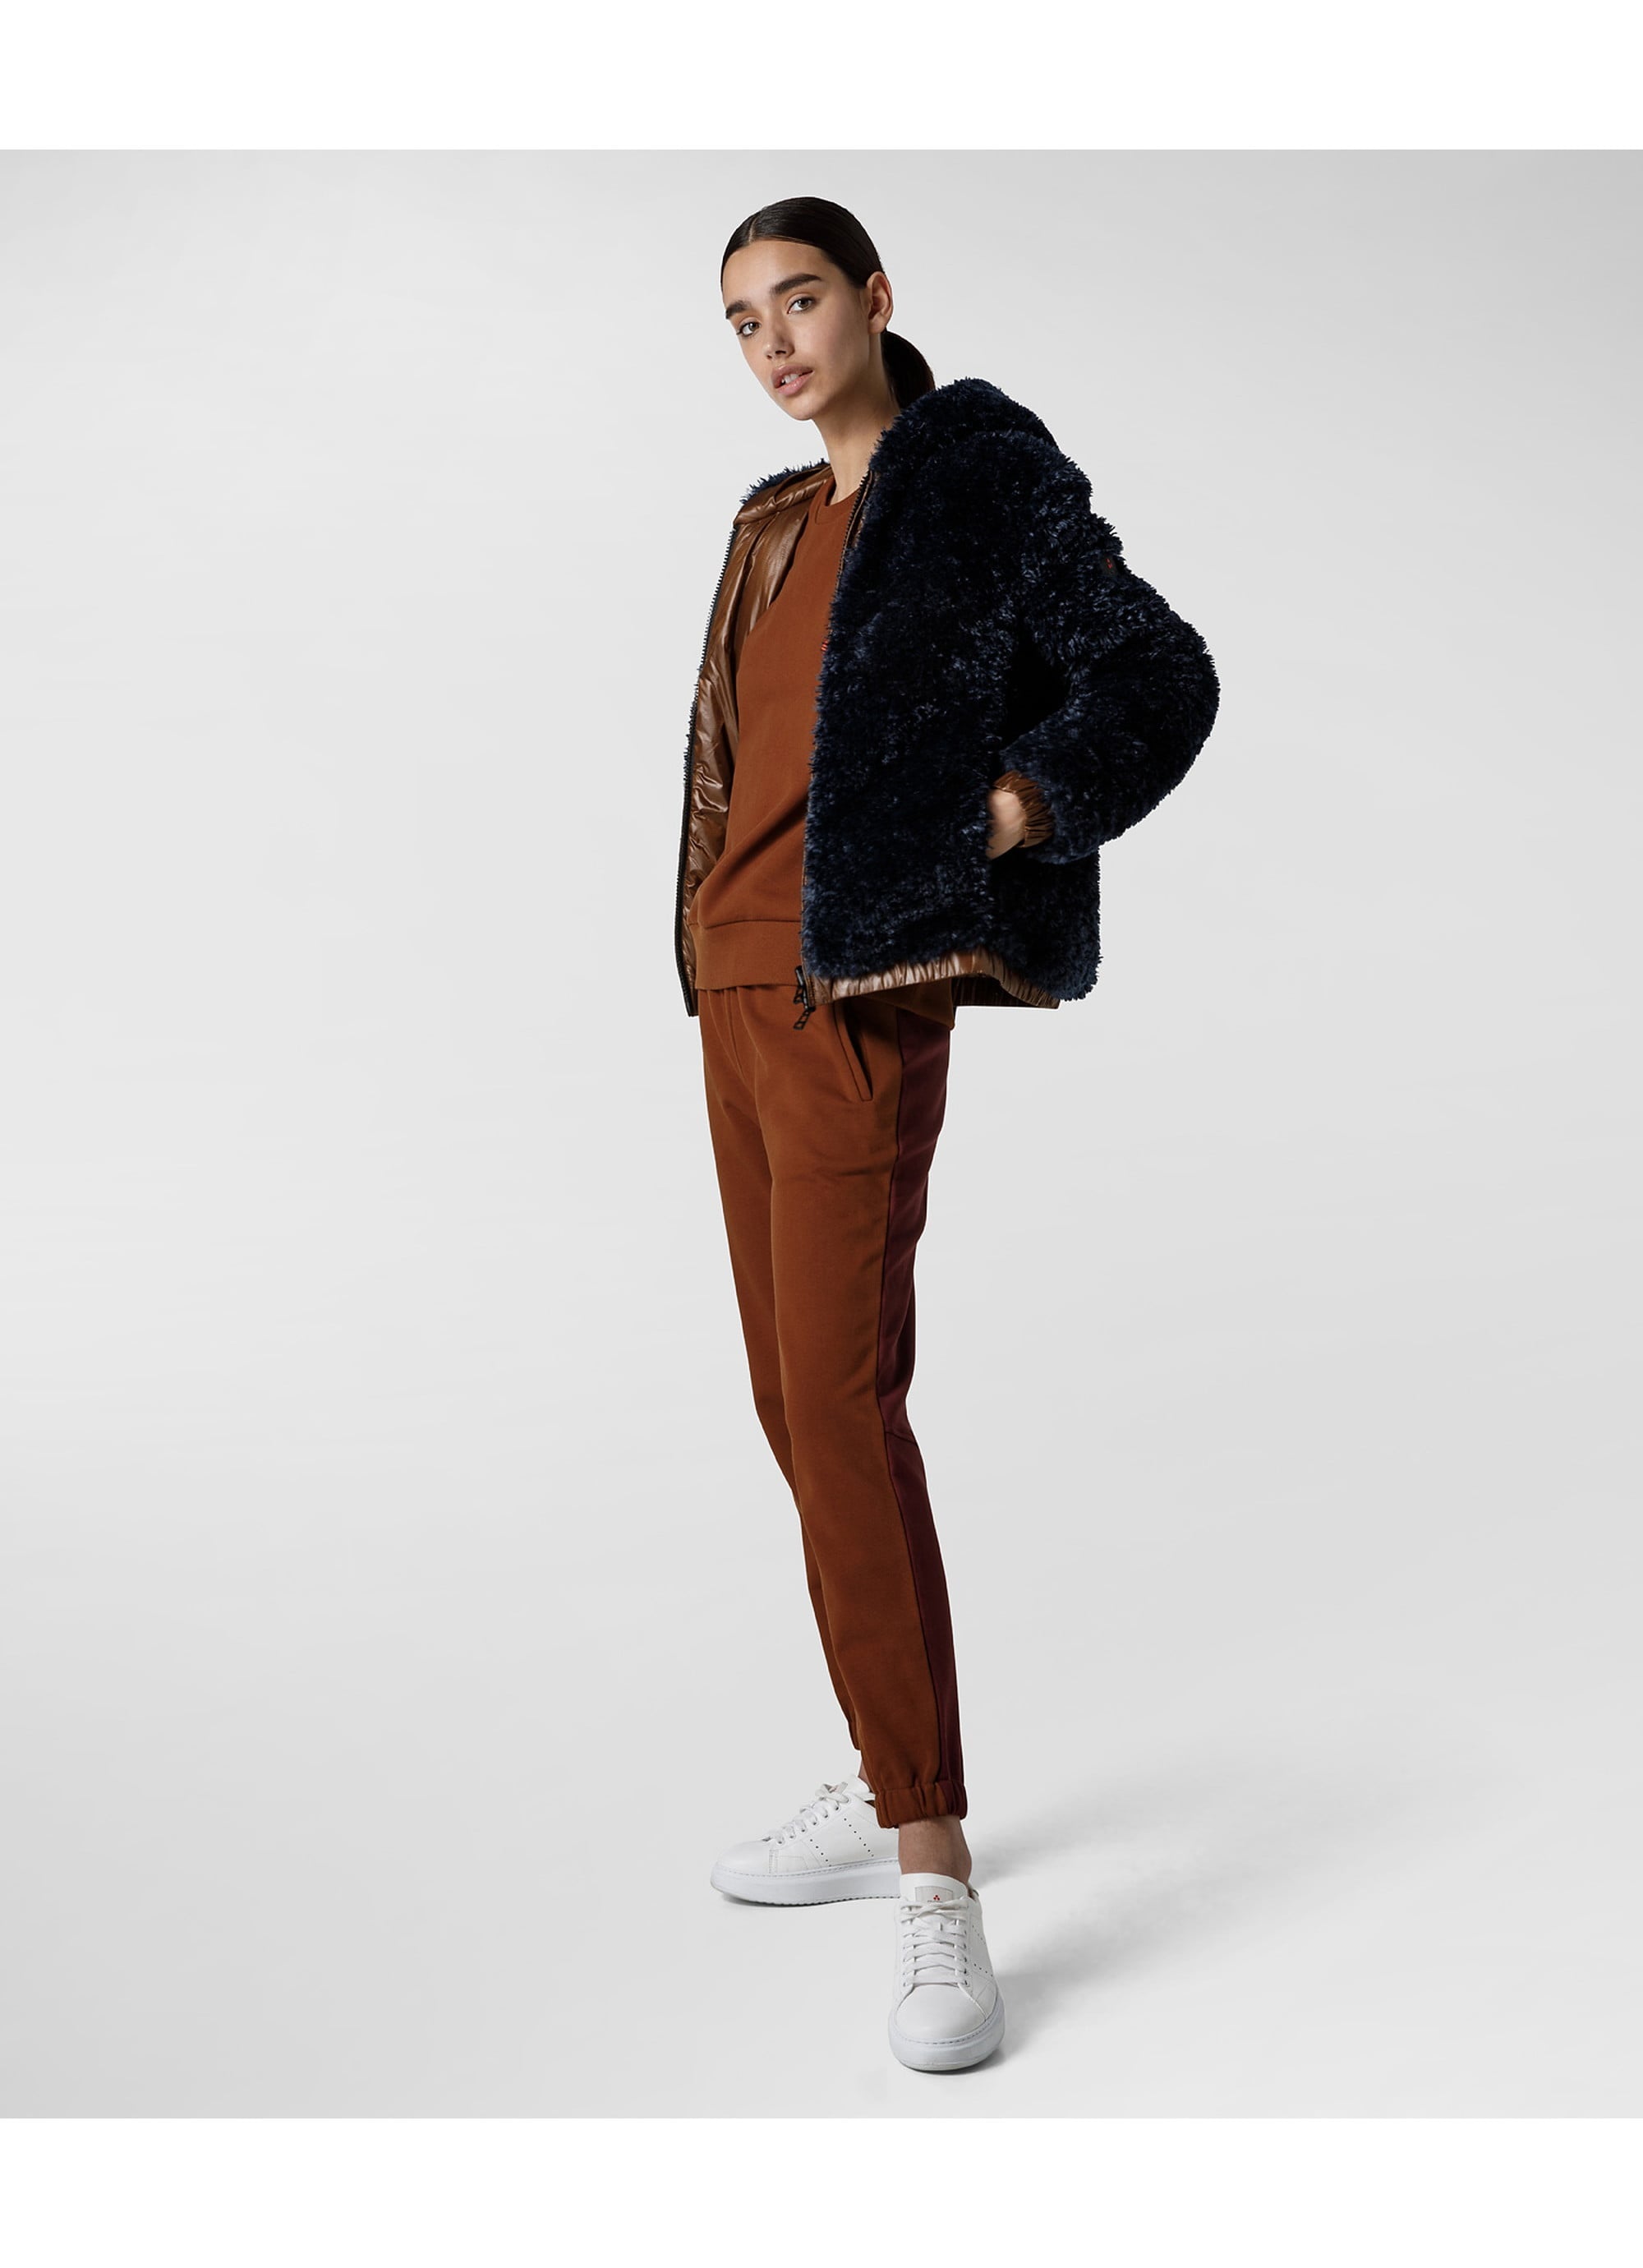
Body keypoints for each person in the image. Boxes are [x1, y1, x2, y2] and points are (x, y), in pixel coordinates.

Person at [676, 196, 1220, 2072]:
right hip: (736, 989)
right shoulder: (768, 523)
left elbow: (1159, 675)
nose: (775, 343)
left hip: (857, 990)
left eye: (800, 300)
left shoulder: (973, 472)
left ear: (875, 298)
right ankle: (878, 1760)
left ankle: (932, 1871)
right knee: (790, 1402)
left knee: (844, 1405)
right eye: (743, 320)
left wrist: (1007, 813)